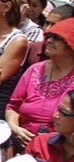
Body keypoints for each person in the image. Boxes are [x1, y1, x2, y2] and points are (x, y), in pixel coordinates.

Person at [6, 17, 74, 150]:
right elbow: (13, 107)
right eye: (48, 36)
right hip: (20, 142)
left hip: (57, 149)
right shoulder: (35, 69)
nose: (49, 40)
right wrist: (14, 127)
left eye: (57, 38)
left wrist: (42, 142)